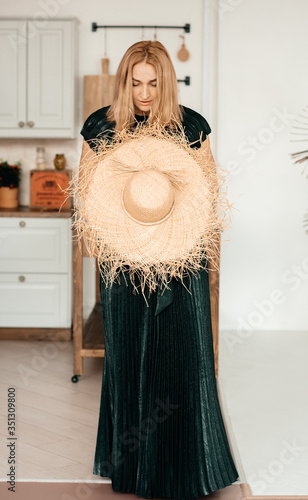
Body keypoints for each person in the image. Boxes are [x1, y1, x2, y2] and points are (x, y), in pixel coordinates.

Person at [78, 40, 239, 500]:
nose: (144, 94)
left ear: (166, 82)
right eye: (135, 84)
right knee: (128, 361)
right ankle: (132, 472)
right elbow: (89, 209)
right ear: (123, 83)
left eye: (153, 83)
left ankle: (192, 472)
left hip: (182, 264)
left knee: (187, 363)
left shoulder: (192, 127)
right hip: (124, 266)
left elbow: (207, 203)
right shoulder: (99, 127)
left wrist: (175, 246)